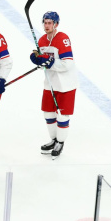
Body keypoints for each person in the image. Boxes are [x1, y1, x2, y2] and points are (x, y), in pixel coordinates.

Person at [28, 11, 76, 160]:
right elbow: (42, 60)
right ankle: (54, 140)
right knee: (48, 113)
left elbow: (68, 64)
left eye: (50, 23)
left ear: (56, 24)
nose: (47, 25)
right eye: (45, 22)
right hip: (50, 84)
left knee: (62, 115)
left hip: (65, 84)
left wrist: (49, 62)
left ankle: (60, 142)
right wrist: (36, 59)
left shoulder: (63, 38)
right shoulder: (42, 40)